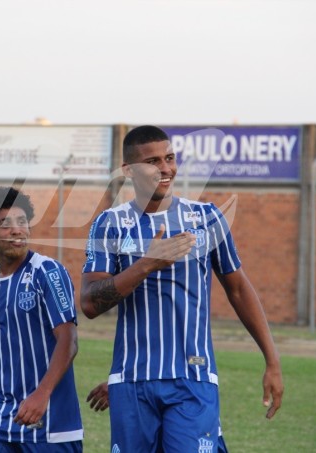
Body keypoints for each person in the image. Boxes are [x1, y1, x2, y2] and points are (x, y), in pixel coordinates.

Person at [81, 125, 284, 453]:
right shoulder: (109, 224)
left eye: (170, 158)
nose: (165, 169)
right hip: (131, 382)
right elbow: (90, 303)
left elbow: (239, 290)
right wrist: (145, 264)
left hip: (194, 380)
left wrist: (272, 361)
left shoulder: (206, 218)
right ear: (129, 170)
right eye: (152, 162)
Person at [0, 186, 83, 453]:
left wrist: (41, 395)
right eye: (5, 224)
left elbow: (69, 339)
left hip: (49, 422)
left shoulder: (47, 272)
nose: (17, 230)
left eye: (22, 222)